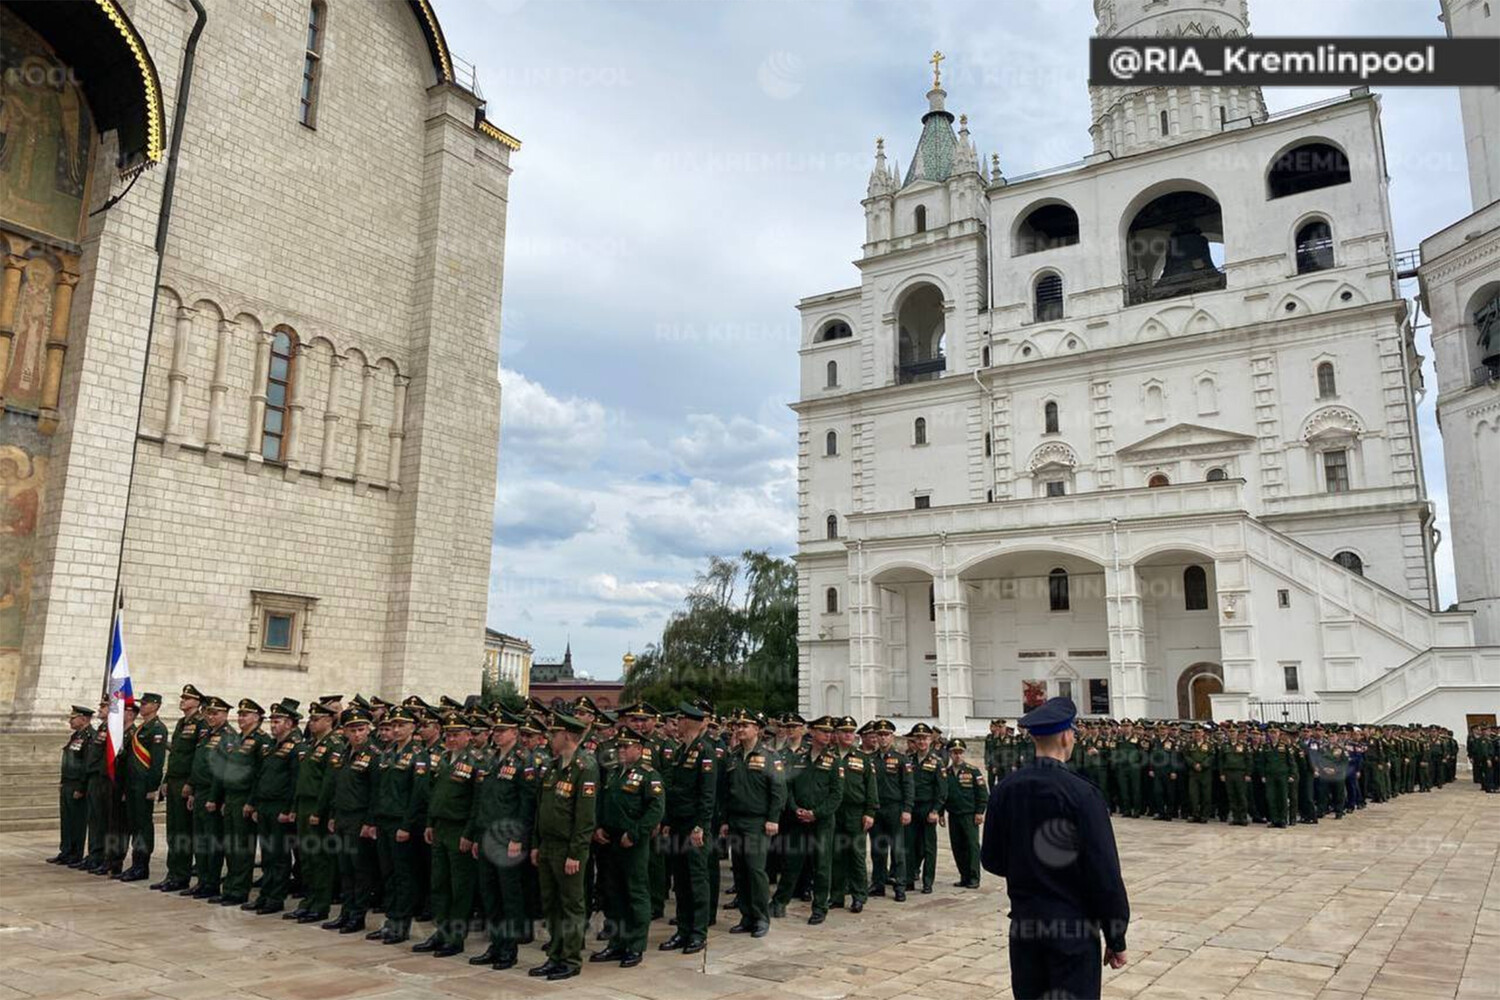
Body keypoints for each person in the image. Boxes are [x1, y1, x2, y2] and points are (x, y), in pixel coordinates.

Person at [982, 696, 1130, 1000]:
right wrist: (1116, 937)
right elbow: (1104, 874)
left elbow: (992, 860)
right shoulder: (1082, 793)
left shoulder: (1004, 789)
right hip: (1072, 928)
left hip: (1025, 927)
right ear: (1066, 736)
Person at [530, 711, 600, 982]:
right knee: (551, 904)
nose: (550, 738)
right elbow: (541, 809)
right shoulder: (550, 766)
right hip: (548, 845)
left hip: (568, 849)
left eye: (554, 733)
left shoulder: (585, 767)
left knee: (571, 904)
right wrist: (536, 843)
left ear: (568, 735)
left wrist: (576, 853)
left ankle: (570, 959)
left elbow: (585, 818)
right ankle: (555, 955)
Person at [468, 710, 538, 969]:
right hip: (486, 835)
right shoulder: (488, 759)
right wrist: (476, 835)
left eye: (502, 730)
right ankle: (495, 945)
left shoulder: (524, 761)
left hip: (507, 838)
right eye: (494, 730)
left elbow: (527, 803)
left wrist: (519, 838)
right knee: (490, 894)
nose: (497, 734)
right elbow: (481, 800)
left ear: (515, 733)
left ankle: (509, 949)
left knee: (509, 895)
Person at [590, 725, 664, 968]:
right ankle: (616, 943)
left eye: (626, 746)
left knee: (636, 893)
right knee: (614, 893)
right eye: (619, 746)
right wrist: (599, 826)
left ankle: (635, 945)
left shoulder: (648, 774)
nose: (620, 750)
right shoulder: (613, 773)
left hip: (632, 842)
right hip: (610, 840)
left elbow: (655, 809)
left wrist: (635, 833)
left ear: (639, 749)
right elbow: (603, 801)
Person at [718, 709, 785, 937]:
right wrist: (725, 820)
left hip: (758, 822)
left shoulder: (769, 755)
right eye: (737, 725)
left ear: (757, 729)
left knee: (756, 871)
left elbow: (778, 790)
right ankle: (746, 916)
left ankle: (760, 918)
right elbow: (727, 791)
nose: (740, 729)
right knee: (740, 871)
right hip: (736, 821)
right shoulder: (733, 755)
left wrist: (773, 819)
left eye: (745, 725)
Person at [660, 702, 717, 954]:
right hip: (678, 825)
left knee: (696, 880)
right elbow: (674, 791)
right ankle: (683, 929)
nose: (677, 722)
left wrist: (701, 826)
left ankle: (698, 932)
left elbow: (707, 794)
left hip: (694, 826)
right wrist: (668, 822)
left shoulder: (705, 751)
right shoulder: (681, 750)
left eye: (680, 718)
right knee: (680, 880)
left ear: (690, 721)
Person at [246, 699, 301, 914]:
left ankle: (275, 898)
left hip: (280, 808)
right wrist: (257, 804)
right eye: (272, 721)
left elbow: (295, 782)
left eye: (278, 721)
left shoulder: (296, 747)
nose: (273, 724)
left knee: (279, 856)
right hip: (266, 806)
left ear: (289, 723)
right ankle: (265, 894)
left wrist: (289, 810)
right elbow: (262, 777)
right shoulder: (271, 746)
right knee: (267, 855)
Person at [153, 685, 205, 891]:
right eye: (183, 697)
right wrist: (166, 780)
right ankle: (172, 873)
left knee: (183, 831)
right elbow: (175, 755)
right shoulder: (182, 723)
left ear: (197, 702)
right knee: (173, 830)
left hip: (185, 782)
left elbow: (198, 758)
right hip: (174, 780)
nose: (182, 700)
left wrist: (191, 784)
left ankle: (181, 875)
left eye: (187, 698)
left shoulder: (201, 724)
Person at [119, 692, 168, 881]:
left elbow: (156, 763)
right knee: (135, 825)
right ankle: (135, 864)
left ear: (155, 706)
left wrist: (152, 788)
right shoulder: (141, 728)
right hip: (132, 784)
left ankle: (142, 866)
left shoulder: (158, 728)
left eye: (146, 704)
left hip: (143, 786)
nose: (143, 707)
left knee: (143, 826)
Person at [52, 705, 93, 867]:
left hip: (77, 784)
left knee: (77, 821)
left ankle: (75, 853)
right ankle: (66, 851)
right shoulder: (76, 736)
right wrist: (63, 781)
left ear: (83, 719)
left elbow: (86, 764)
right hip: (68, 782)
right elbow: (68, 761)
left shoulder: (90, 736)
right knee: (67, 820)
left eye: (73, 718)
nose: (70, 720)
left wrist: (81, 787)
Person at [941, 739, 984, 889]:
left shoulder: (973, 771)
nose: (957, 756)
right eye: (954, 753)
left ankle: (974, 877)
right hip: (953, 814)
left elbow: (982, 793)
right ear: (950, 754)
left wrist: (980, 811)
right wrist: (941, 813)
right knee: (957, 846)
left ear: (964, 754)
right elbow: (942, 794)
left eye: (960, 753)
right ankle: (964, 876)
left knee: (972, 846)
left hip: (969, 815)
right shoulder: (945, 773)